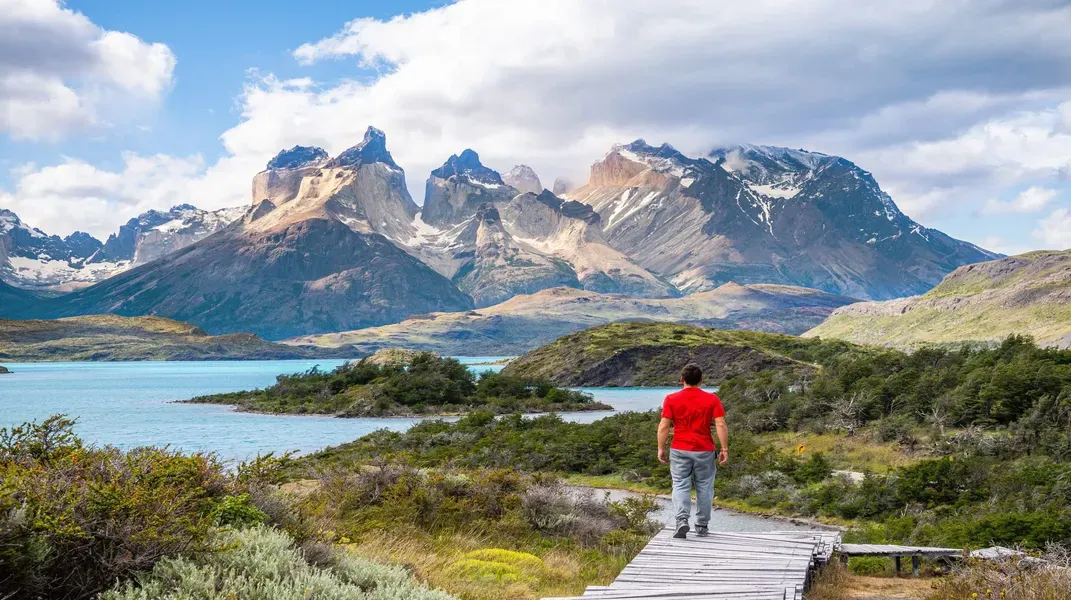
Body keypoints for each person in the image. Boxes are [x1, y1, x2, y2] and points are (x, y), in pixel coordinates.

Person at [657, 363, 728, 539]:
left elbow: (664, 425)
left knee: (680, 484)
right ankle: (702, 526)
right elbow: (720, 423)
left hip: (679, 448)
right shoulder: (712, 399)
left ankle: (682, 520)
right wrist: (724, 448)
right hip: (704, 449)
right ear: (701, 380)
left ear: (682, 379)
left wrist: (661, 448)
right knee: (705, 487)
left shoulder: (671, 399)